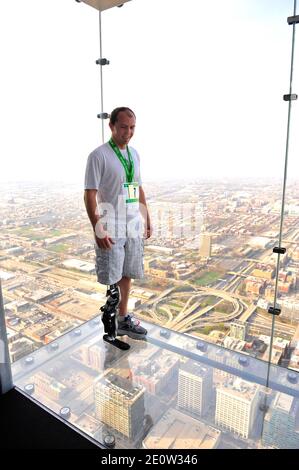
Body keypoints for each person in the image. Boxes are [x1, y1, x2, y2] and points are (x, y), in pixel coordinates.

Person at [84, 107, 152, 342]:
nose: (128, 132)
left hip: (132, 223)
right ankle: (111, 325)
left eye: (132, 127)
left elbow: (137, 187)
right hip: (111, 223)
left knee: (127, 273)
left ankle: (123, 320)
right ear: (112, 126)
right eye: (123, 127)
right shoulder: (99, 156)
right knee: (112, 275)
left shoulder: (134, 155)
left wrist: (146, 216)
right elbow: (90, 194)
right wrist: (98, 227)